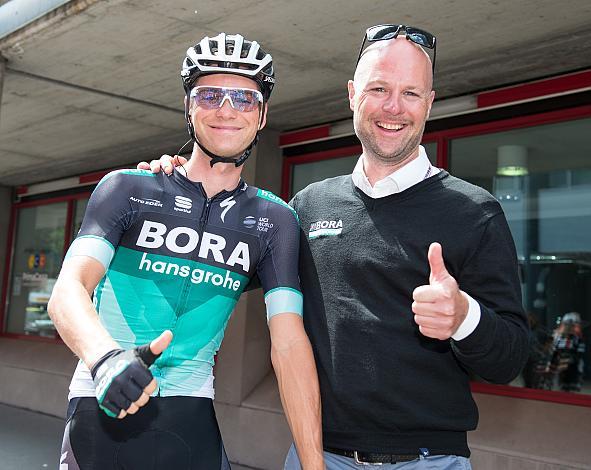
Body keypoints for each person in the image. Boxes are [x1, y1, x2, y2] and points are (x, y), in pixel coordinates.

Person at [143, 25, 530, 470]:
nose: (392, 107)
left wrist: (465, 318)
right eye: (378, 88)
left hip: (429, 460)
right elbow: (218, 264)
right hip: (317, 456)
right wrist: (179, 187)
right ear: (352, 95)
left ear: (429, 102)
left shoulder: (475, 212)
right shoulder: (308, 206)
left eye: (410, 93)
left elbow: (511, 357)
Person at [48, 32, 324, 470]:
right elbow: (68, 289)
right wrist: (106, 359)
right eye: (210, 94)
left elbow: (288, 342)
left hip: (191, 419)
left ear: (264, 114)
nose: (227, 109)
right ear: (188, 106)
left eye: (245, 99)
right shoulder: (128, 188)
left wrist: (314, 465)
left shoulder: (275, 221)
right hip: (103, 404)